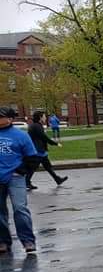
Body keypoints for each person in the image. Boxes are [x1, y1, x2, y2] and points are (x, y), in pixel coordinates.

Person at [0, 106, 40, 255]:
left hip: (15, 178)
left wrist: (20, 171)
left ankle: (28, 240)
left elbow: (32, 158)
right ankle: (3, 241)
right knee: (0, 212)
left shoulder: (21, 136)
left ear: (10, 119)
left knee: (20, 208)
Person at [26, 111, 67, 188]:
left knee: (47, 167)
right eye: (44, 116)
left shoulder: (35, 125)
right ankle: (26, 181)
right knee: (33, 167)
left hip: (40, 150)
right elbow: (44, 137)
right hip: (37, 151)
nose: (45, 118)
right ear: (40, 117)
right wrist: (55, 143)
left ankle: (57, 179)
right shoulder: (36, 126)